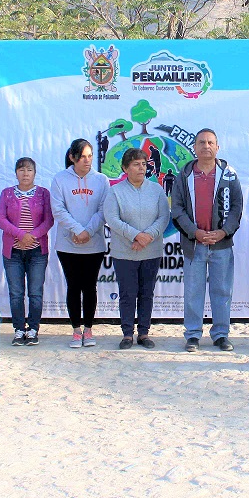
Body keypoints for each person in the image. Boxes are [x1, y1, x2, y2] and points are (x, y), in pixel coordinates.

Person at [171, 129, 244, 353]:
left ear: (217, 147)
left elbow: (236, 208)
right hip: (195, 245)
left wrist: (223, 232)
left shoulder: (229, 175)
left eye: (211, 142)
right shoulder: (183, 176)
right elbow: (178, 209)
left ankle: (221, 334)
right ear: (194, 147)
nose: (206, 146)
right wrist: (195, 232)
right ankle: (193, 335)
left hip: (221, 244)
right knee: (194, 291)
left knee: (222, 291)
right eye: (201, 142)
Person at [104, 148, 170, 349]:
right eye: (136, 164)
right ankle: (126, 334)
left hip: (151, 251)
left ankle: (143, 332)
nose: (141, 168)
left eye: (143, 164)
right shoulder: (115, 191)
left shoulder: (156, 189)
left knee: (146, 292)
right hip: (125, 251)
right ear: (125, 168)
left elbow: (164, 216)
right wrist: (135, 236)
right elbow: (112, 219)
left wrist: (147, 237)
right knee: (127, 293)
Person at [51, 138, 110, 348]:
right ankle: (76, 330)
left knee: (90, 287)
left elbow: (104, 210)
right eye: (83, 156)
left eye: (90, 156)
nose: (87, 161)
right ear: (72, 157)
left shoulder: (101, 180)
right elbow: (58, 210)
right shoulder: (60, 179)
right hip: (68, 244)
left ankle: (89, 329)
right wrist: (77, 230)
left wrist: (88, 231)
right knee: (73, 286)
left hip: (94, 244)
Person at [0, 157, 53, 346]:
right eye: (21, 170)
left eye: (29, 170)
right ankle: (19, 329)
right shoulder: (6, 194)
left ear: (35, 173)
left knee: (35, 292)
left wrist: (32, 236)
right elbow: (1, 220)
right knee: (16, 292)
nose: (25, 173)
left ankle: (33, 329)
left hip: (37, 251)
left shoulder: (43, 193)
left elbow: (48, 220)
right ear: (16, 173)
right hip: (13, 252)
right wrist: (20, 234)